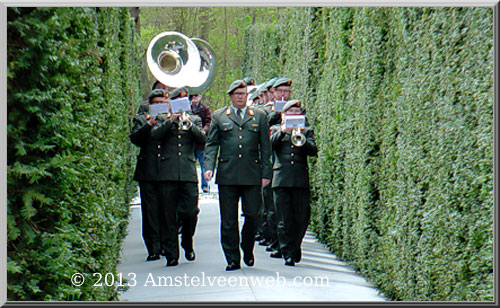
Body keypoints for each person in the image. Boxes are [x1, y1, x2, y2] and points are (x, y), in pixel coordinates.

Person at [204, 79, 272, 271]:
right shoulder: (219, 116)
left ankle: (247, 247)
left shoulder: (258, 116)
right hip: (228, 175)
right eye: (237, 94)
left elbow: (265, 148)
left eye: (243, 94)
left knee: (253, 215)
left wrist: (266, 173)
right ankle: (232, 257)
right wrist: (209, 166)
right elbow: (212, 144)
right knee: (228, 219)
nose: (240, 97)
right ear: (231, 96)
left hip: (252, 174)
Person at [151, 87, 206, 267]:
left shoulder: (195, 120)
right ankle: (171, 253)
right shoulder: (162, 119)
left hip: (188, 173)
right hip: (167, 173)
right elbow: (155, 135)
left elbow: (203, 141)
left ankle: (187, 242)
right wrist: (171, 119)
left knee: (190, 212)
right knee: (168, 215)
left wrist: (189, 124)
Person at [270, 99, 317, 266]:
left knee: (302, 218)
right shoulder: (276, 129)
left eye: (297, 112)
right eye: (291, 112)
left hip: (299, 180)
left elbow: (313, 151)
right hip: (281, 179)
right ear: (283, 115)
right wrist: (283, 131)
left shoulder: (307, 130)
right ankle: (287, 252)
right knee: (283, 220)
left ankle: (295, 246)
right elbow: (269, 146)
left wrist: (302, 137)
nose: (294, 115)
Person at [129, 89, 170, 262]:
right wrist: (149, 125)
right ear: (150, 104)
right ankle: (153, 247)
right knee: (150, 212)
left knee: (167, 211)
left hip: (167, 170)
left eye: (163, 102)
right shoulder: (141, 119)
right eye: (157, 103)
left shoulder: (171, 119)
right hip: (148, 170)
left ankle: (166, 244)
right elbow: (135, 139)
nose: (160, 105)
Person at [189, 93, 212, 193]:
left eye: (197, 96)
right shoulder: (186, 108)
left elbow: (208, 121)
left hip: (201, 141)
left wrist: (204, 130)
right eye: (193, 96)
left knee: (203, 164)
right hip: (190, 141)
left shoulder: (204, 108)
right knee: (190, 164)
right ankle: (192, 184)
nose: (195, 98)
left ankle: (205, 185)